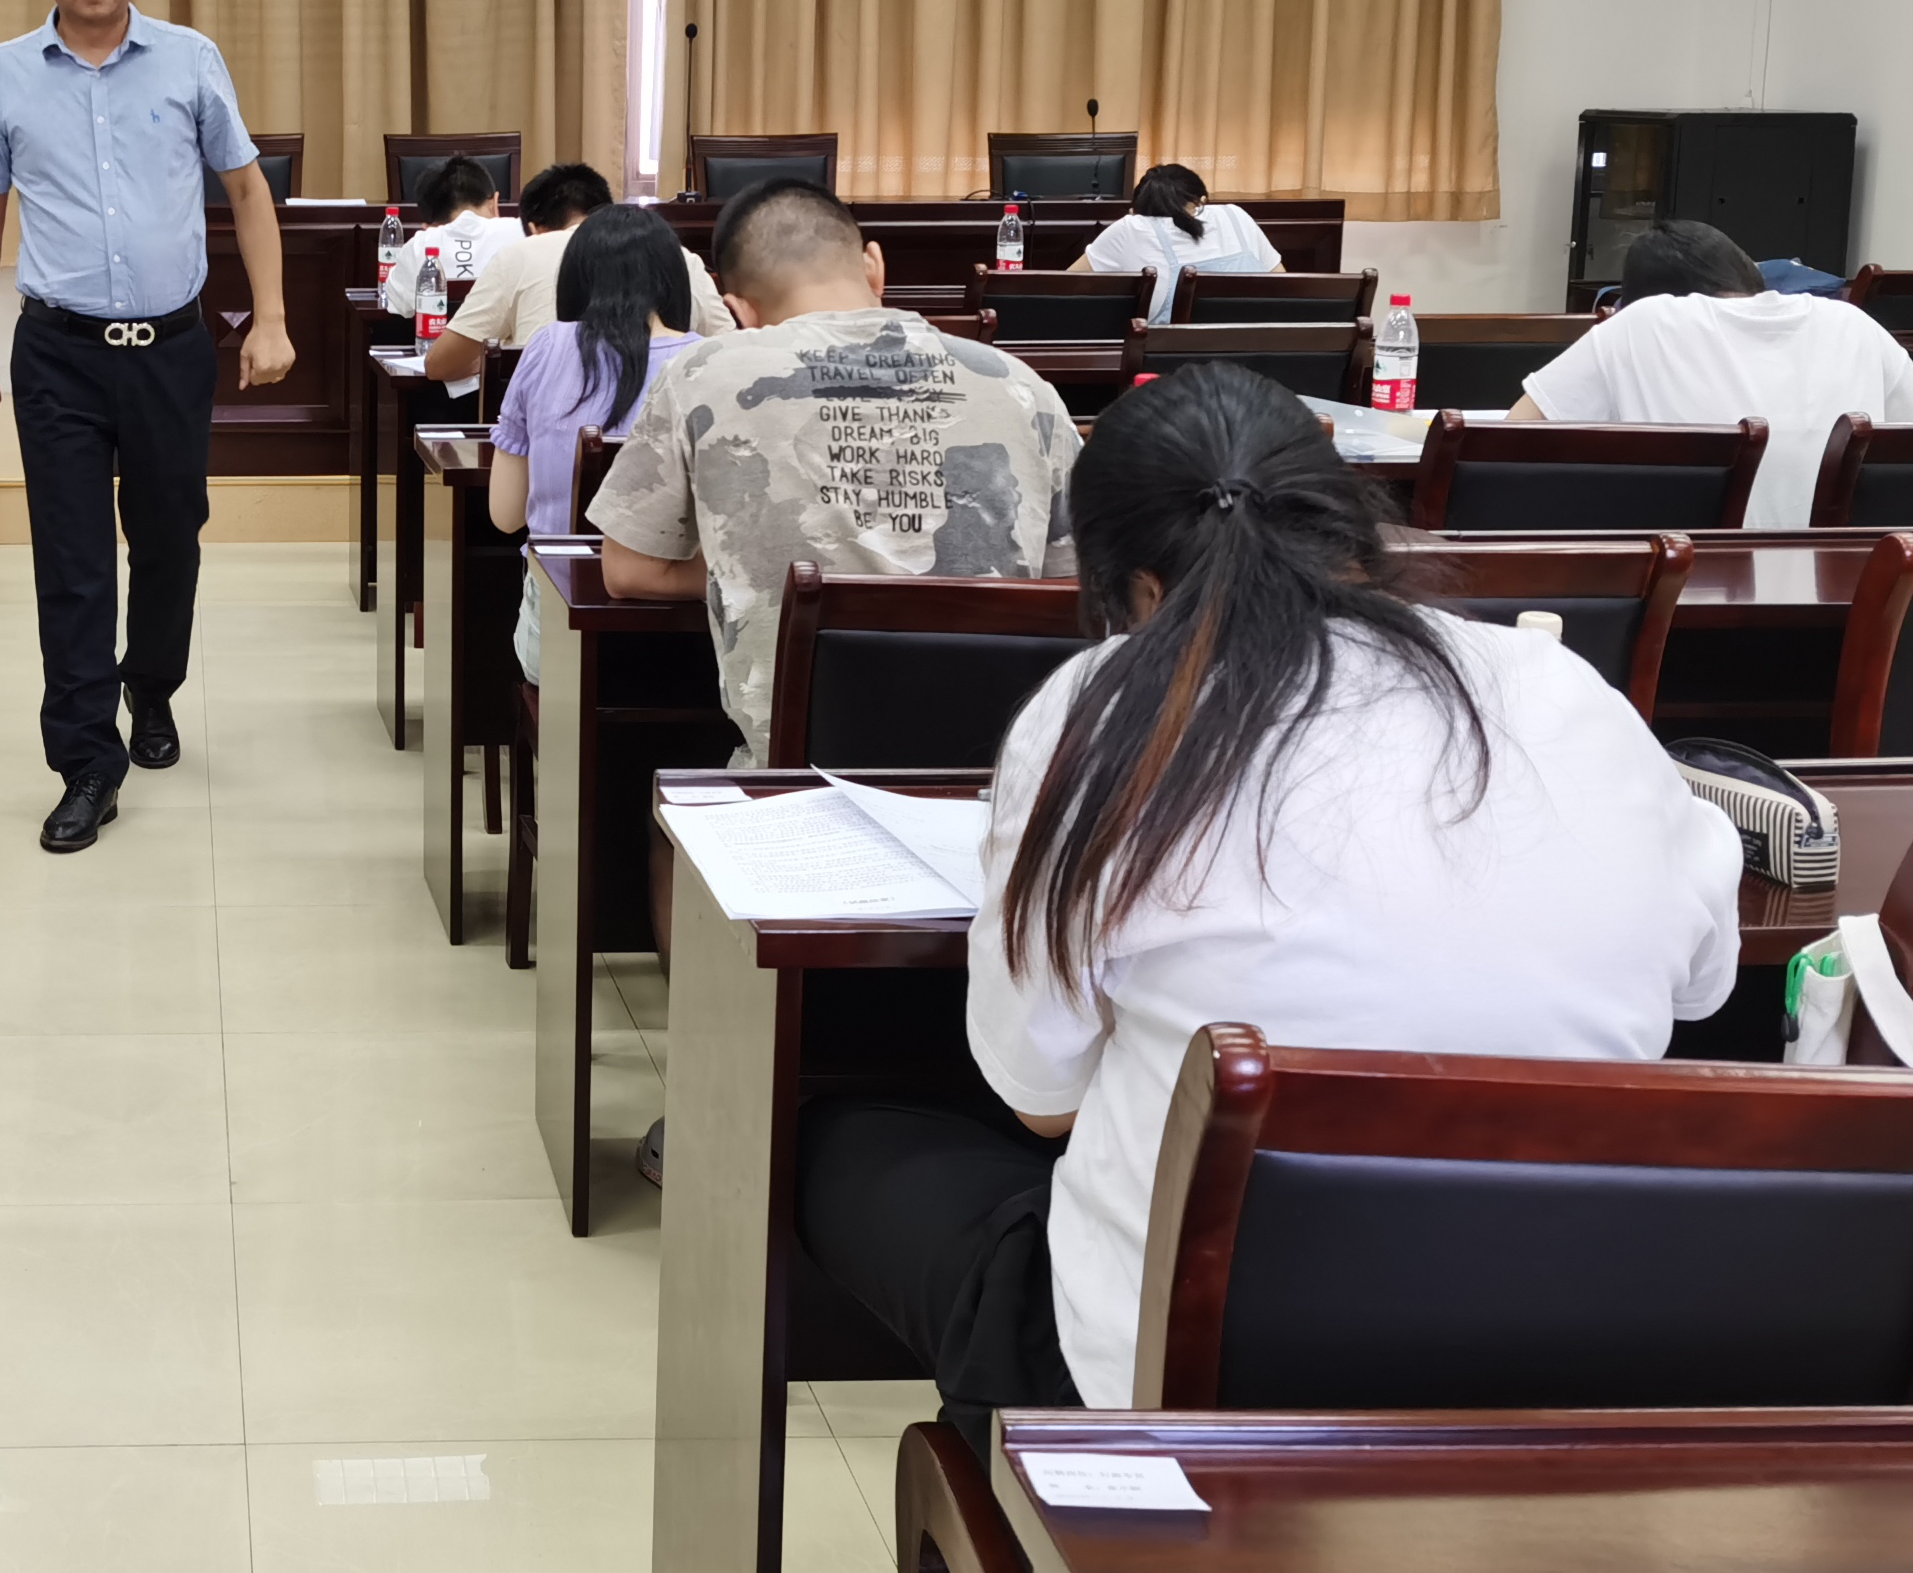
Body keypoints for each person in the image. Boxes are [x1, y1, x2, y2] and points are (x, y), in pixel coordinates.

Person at [787, 363, 1742, 1447]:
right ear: (1353, 525)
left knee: (843, 1144)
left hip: (1196, 1382)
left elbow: (1039, 1097)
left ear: (1131, 586)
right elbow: (1702, 987)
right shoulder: (1557, 682)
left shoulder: (1105, 705)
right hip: (1551, 1353)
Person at [0, 0, 295, 852]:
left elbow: (247, 191)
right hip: (57, 352)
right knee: (72, 559)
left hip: (170, 350)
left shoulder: (190, 60)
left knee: (169, 538)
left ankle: (154, 686)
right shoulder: (5, 74)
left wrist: (270, 318)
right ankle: (86, 764)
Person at [589, 178, 1080, 761]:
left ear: (738, 309)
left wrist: (760, 561)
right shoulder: (1024, 387)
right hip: (999, 779)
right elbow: (1073, 582)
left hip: (793, 783)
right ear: (874, 264)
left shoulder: (702, 375)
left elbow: (627, 570)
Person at [1512, 219, 1913, 528]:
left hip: (1686, 590)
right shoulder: (1851, 321)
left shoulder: (1641, 322)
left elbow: (1515, 438)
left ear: (1637, 295)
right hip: (1851, 590)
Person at [484, 206, 697, 681]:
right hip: (688, 647)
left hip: (558, 645)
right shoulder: (706, 360)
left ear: (576, 279)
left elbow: (505, 515)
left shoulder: (546, 346)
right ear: (672, 281)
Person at [428, 161, 731, 383]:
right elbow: (729, 353)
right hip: (672, 439)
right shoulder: (684, 258)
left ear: (535, 229)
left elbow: (440, 364)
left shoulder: (519, 255)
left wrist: (508, 359)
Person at [1069, 164, 1283, 319]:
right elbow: (1284, 288)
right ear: (1202, 201)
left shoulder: (1131, 228)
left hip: (1171, 364)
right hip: (1260, 359)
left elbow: (1064, 290)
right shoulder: (1235, 215)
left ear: (1136, 210)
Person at [378, 157, 518, 315]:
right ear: (494, 203)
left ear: (429, 219)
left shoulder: (419, 246)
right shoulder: (522, 232)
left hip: (440, 332)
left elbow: (394, 303)